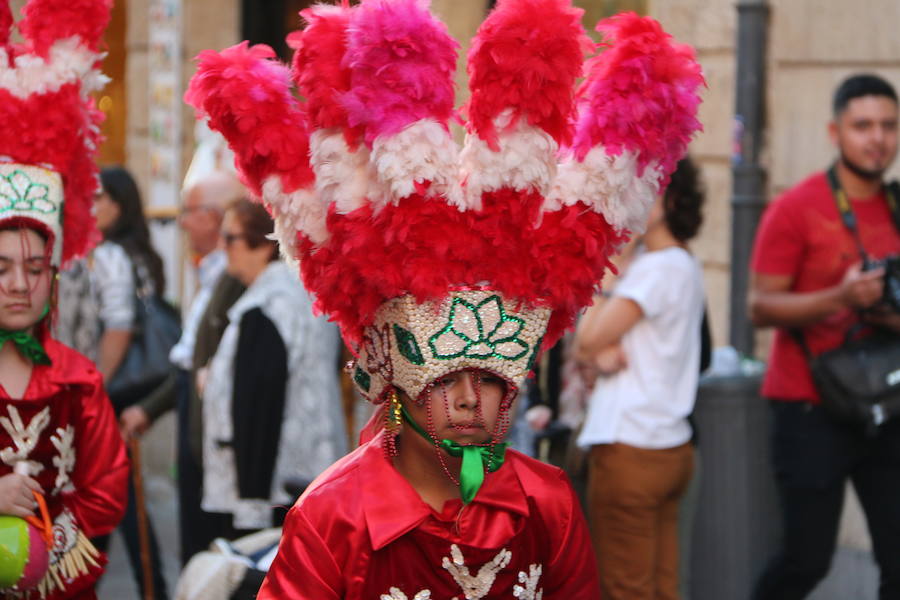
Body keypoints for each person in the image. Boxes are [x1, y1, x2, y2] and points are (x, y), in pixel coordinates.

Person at [185, 0, 703, 597]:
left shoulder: (548, 503)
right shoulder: (332, 516)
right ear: (397, 377)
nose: (466, 401)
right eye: (446, 377)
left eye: (486, 379)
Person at [750, 74, 900, 599]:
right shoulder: (796, 208)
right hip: (810, 407)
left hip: (889, 403)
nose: (876, 138)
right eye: (862, 126)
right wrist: (841, 298)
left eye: (888, 126)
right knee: (806, 561)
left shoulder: (896, 205)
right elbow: (759, 307)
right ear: (835, 132)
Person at [0, 0, 129, 596]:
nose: (19, 284)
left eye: (34, 267)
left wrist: (50, 543)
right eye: (1, 267)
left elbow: (107, 486)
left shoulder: (79, 381)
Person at [573, 156, 705, 600]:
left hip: (630, 445)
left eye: (642, 191)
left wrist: (616, 267)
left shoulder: (652, 269)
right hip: (670, 445)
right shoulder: (683, 263)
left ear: (668, 198)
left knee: (626, 588)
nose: (629, 204)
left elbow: (586, 341)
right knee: (663, 586)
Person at [200, 199, 345, 536]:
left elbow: (258, 405)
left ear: (264, 244)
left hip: (274, 486)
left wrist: (252, 502)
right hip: (313, 471)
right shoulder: (302, 294)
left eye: (231, 237)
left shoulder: (266, 307)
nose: (223, 246)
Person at [155, 168, 247, 565]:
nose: (182, 221)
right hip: (198, 427)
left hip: (219, 441)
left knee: (211, 553)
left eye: (188, 210)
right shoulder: (213, 271)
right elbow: (188, 358)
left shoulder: (237, 277)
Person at [89, 166, 171, 600]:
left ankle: (136, 585)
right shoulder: (140, 251)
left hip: (114, 394)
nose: (92, 207)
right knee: (120, 497)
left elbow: (119, 326)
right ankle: (149, 585)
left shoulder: (110, 254)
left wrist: (93, 388)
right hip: (132, 391)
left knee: (112, 497)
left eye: (99, 198)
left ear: (117, 205)